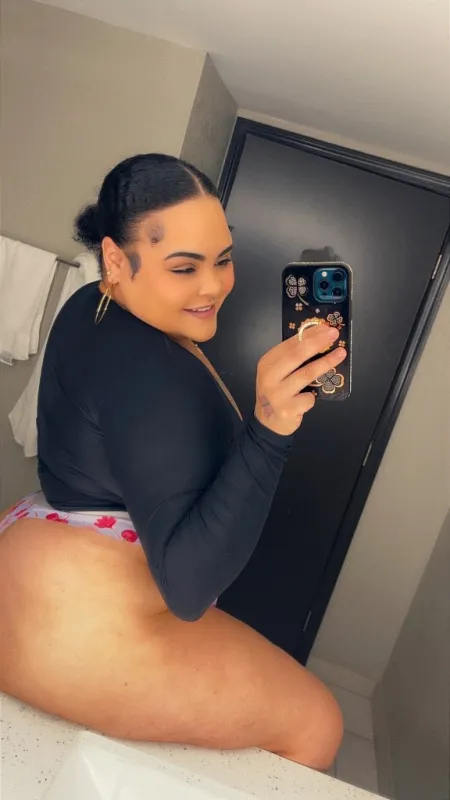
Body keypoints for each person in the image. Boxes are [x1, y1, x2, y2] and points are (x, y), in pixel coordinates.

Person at [0, 154, 345, 770]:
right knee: (317, 725)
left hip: (34, 558)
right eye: (184, 267)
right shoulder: (146, 375)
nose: (213, 286)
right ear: (115, 260)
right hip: (76, 627)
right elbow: (187, 591)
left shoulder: (94, 303)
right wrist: (270, 423)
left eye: (223, 259)